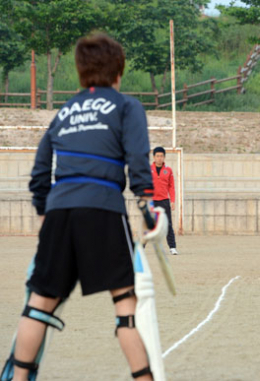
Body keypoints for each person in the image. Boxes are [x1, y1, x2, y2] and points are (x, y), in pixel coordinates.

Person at [1, 34, 156, 380]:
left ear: (80, 72)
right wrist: (147, 203)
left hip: (59, 212)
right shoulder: (126, 106)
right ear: (119, 72)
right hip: (102, 209)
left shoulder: (65, 111)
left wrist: (44, 211)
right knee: (126, 308)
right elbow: (136, 159)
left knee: (38, 305)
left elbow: (41, 169)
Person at [151, 146, 178, 255]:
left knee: (168, 225)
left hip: (164, 201)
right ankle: (140, 248)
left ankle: (172, 247)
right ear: (154, 157)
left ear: (164, 157)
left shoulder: (168, 170)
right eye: (157, 156)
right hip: (152, 201)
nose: (159, 158)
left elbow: (171, 186)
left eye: (161, 156)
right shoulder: (149, 169)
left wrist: (172, 200)